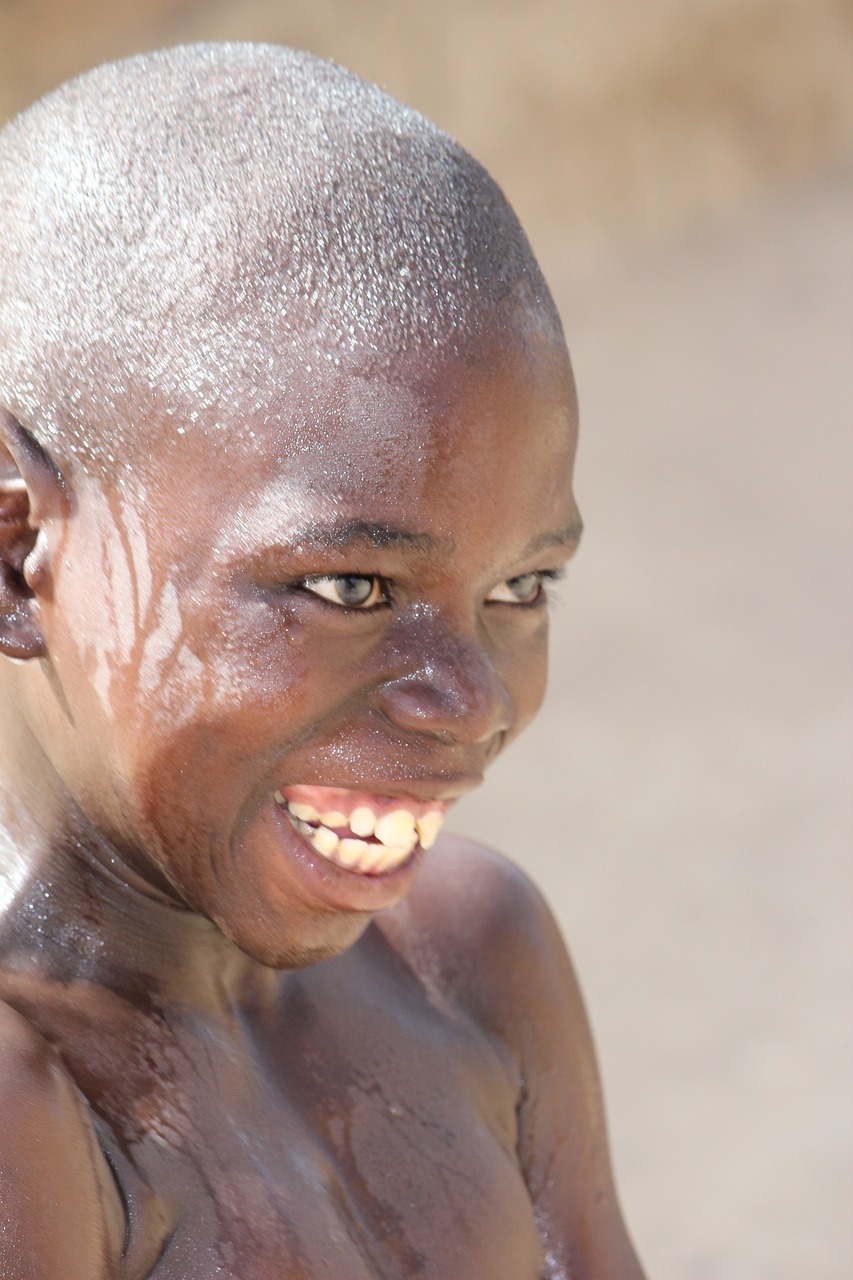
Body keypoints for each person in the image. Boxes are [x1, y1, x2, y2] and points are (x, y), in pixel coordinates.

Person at [0, 42, 645, 1280]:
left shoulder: (471, 955)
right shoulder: (38, 1111)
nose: (471, 702)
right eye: (350, 586)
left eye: (520, 585)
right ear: (17, 554)